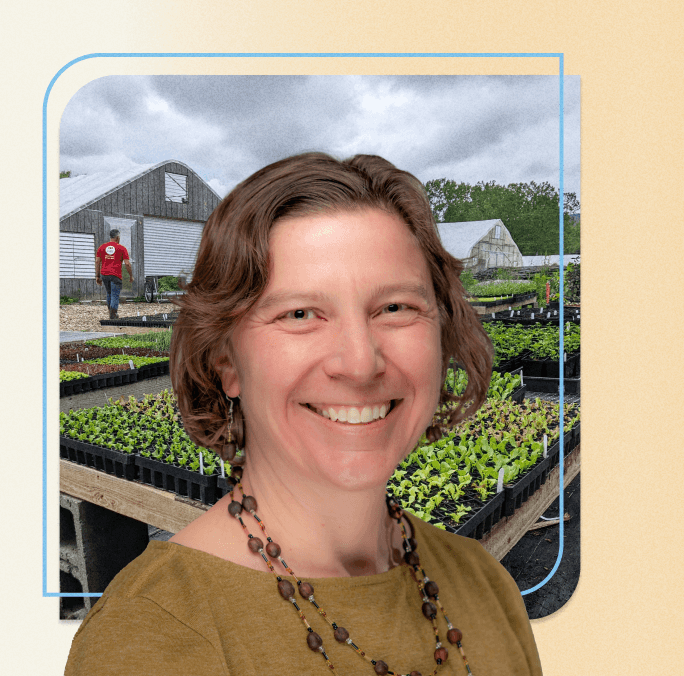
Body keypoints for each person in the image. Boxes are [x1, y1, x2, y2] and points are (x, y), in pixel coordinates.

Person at [66, 153, 542, 674]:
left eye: (396, 308)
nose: (360, 362)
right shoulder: (149, 639)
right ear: (226, 361)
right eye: (300, 314)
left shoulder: (485, 583)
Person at [94, 229, 133, 320]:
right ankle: (113, 315)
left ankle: (110, 312)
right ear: (118, 237)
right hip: (115, 275)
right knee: (115, 295)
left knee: (109, 293)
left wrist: (97, 276)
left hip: (104, 275)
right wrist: (131, 275)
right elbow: (127, 264)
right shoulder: (122, 248)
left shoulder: (102, 247)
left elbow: (97, 262)